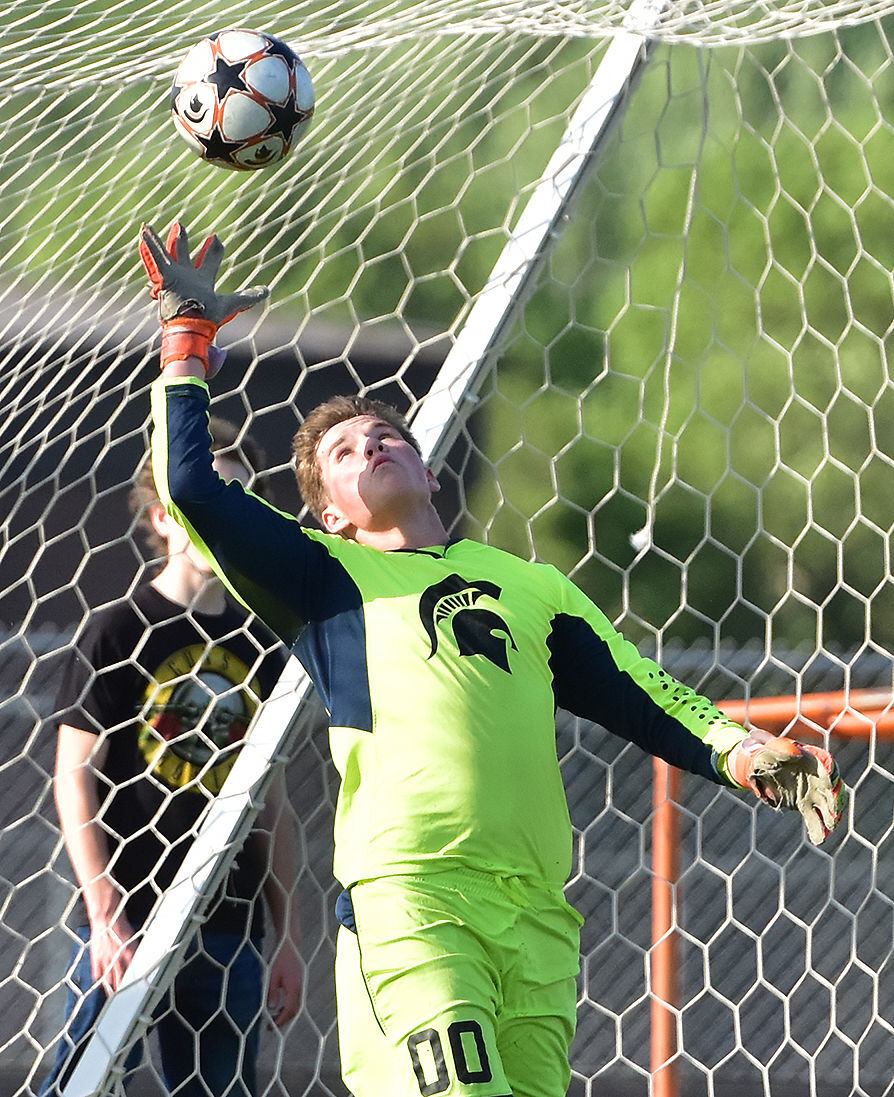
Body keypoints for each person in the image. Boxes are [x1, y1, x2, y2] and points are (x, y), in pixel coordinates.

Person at [139, 221, 848, 1097]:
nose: (372, 444)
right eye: (344, 451)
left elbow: (641, 689)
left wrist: (740, 749)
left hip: (536, 914)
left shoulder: (529, 584)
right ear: (328, 515)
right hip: (414, 899)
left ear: (431, 473)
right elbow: (193, 487)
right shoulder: (325, 575)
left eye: (386, 434)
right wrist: (186, 343)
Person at [40, 416, 304, 1097]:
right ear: (163, 514)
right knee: (82, 1084)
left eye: (238, 501)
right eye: (205, 497)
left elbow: (270, 803)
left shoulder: (260, 645)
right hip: (128, 925)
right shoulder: (116, 629)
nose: (223, 517)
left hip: (229, 927)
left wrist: (286, 935)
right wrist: (103, 912)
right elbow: (72, 778)